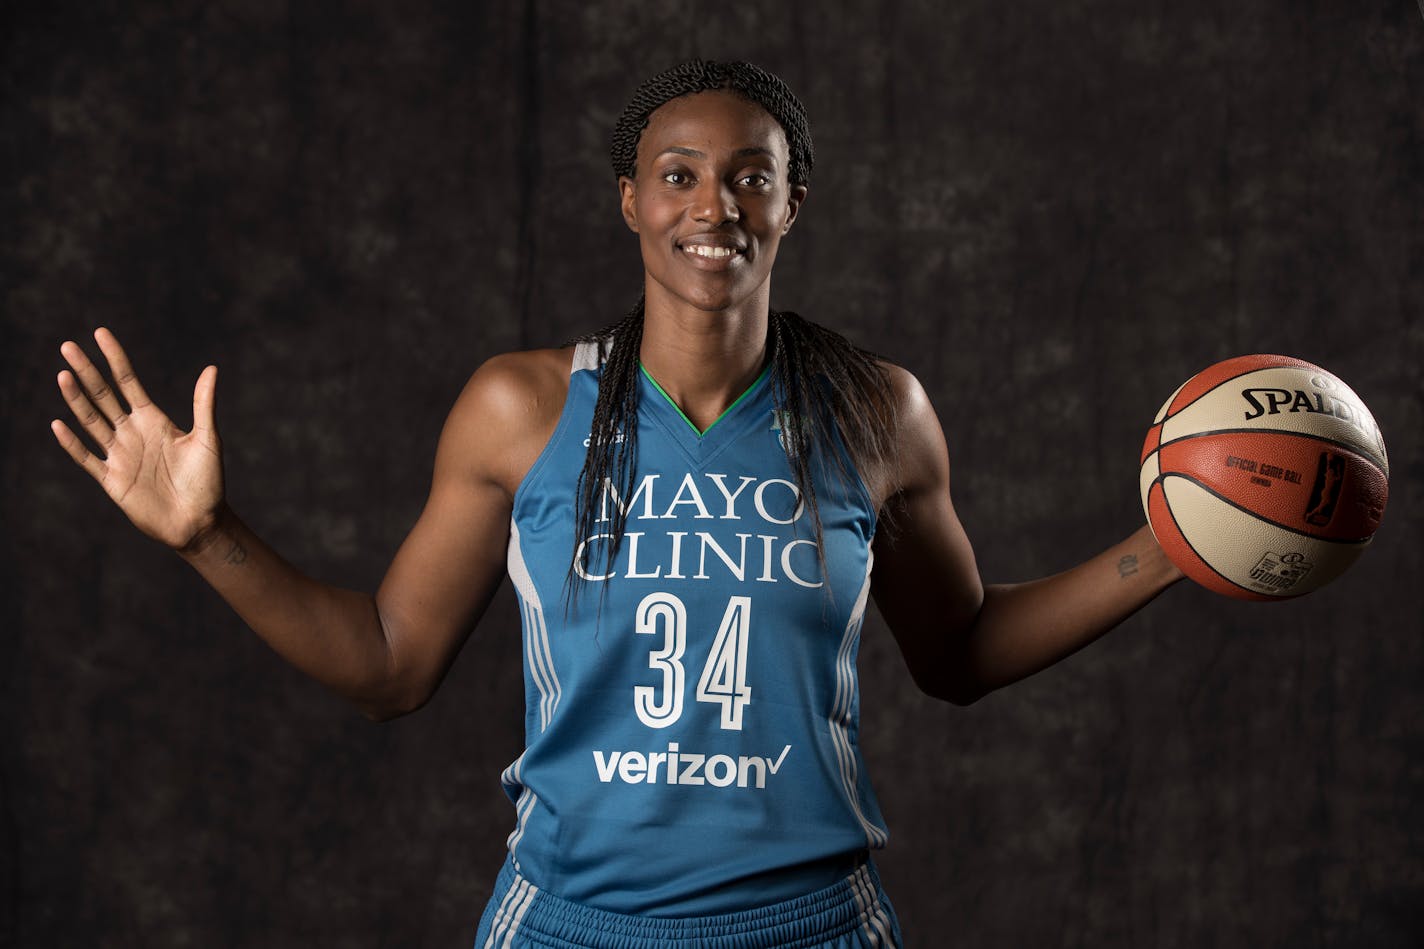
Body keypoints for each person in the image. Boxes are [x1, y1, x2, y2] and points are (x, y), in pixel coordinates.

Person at [51, 60, 1183, 949]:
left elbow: (961, 649)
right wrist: (208, 538)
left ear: (793, 202)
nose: (715, 204)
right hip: (572, 923)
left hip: (809, 923)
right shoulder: (521, 406)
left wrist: (1169, 544)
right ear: (631, 200)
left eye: (751, 173)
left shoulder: (875, 413)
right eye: (679, 172)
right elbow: (390, 667)